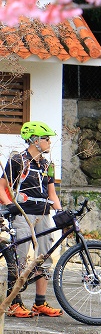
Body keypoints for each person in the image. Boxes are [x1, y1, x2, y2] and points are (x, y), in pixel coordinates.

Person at [1, 121, 63, 318]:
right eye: (46, 139)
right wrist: (10, 206)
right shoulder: (18, 160)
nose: (50, 142)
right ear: (35, 140)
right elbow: (2, 187)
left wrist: (61, 213)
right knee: (19, 258)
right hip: (23, 215)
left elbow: (52, 193)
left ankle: (39, 303)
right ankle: (13, 303)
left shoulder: (47, 164)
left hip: (44, 215)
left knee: (44, 258)